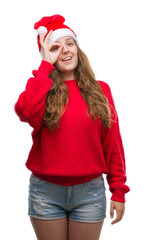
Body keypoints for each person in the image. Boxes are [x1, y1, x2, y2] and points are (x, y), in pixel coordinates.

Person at [14, 14, 130, 240]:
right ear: (48, 54)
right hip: (45, 192)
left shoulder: (100, 90)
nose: (66, 50)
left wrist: (118, 190)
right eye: (56, 47)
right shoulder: (41, 90)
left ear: (78, 48)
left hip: (90, 193)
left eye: (70, 43)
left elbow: (112, 142)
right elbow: (24, 110)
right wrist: (45, 66)